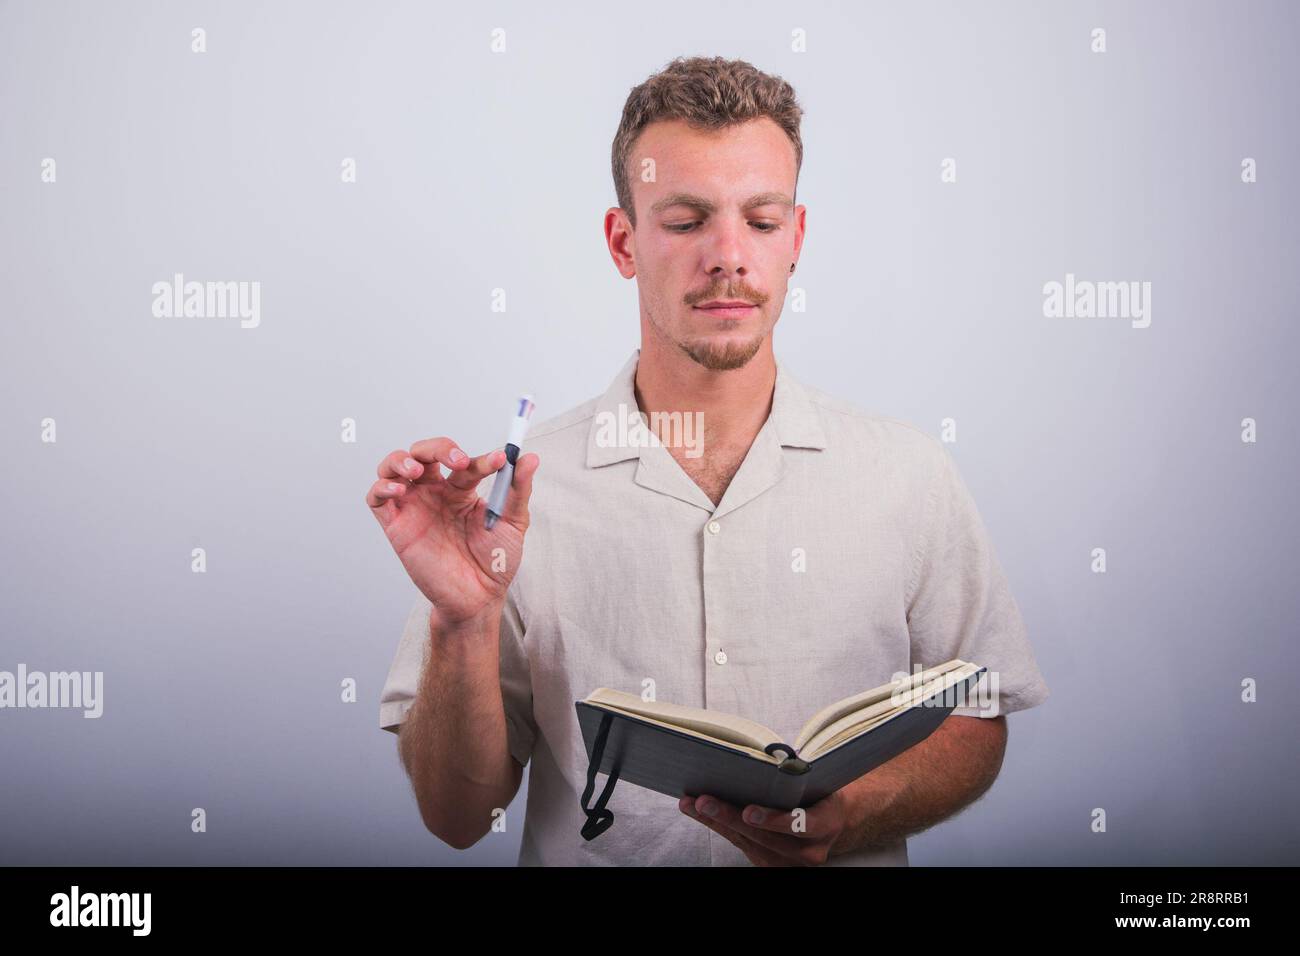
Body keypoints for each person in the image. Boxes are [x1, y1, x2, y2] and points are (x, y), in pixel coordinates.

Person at [367, 56, 1049, 866]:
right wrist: (463, 621)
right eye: (686, 221)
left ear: (795, 240)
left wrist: (855, 810)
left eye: (761, 221)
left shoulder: (907, 475)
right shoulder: (515, 499)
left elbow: (977, 717)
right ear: (624, 243)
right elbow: (457, 817)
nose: (729, 255)